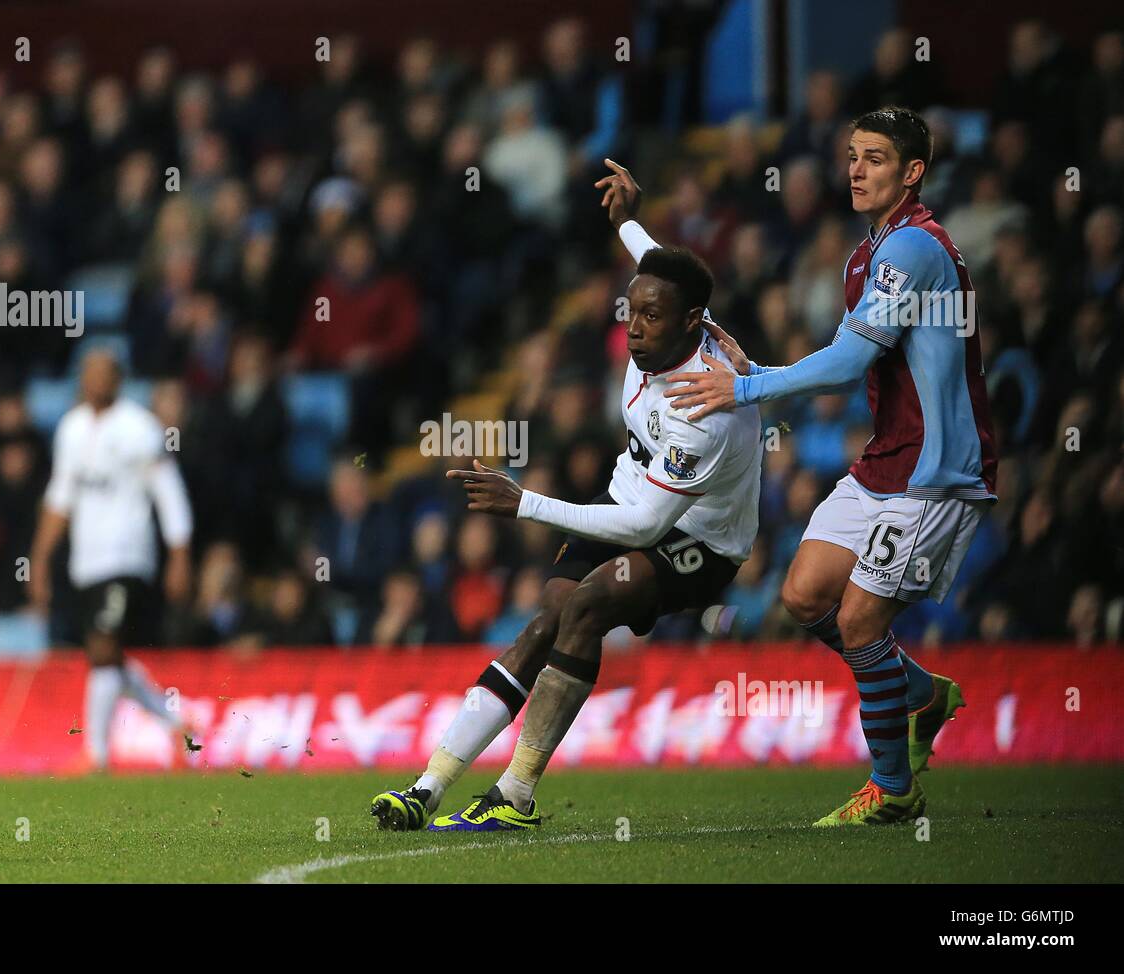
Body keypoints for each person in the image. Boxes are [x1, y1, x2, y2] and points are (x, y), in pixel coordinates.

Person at [369, 173, 763, 831]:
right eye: (630, 310)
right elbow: (653, 263)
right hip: (626, 493)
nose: (635, 328)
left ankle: (514, 795)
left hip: (699, 538)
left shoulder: (708, 406)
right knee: (545, 618)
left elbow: (645, 526)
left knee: (588, 605)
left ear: (694, 323)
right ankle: (427, 787)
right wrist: (626, 221)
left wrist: (526, 503)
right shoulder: (666, 308)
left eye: (651, 317)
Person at [660, 109, 995, 825]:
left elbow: (848, 364)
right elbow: (848, 359)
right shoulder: (866, 254)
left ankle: (893, 789)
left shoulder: (914, 249)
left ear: (912, 172)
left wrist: (745, 387)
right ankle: (923, 696)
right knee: (806, 596)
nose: (856, 168)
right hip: (887, 458)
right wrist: (764, 368)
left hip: (935, 468)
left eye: (875, 158)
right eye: (851, 155)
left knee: (862, 619)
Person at [29, 350, 194, 771]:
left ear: (119, 379)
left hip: (127, 555)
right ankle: (175, 722)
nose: (95, 381)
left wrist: (179, 555)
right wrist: (41, 560)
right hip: (86, 562)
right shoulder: (71, 428)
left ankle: (95, 755)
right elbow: (59, 499)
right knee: (108, 656)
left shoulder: (139, 427)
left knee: (102, 646)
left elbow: (168, 492)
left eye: (103, 373)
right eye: (88, 372)